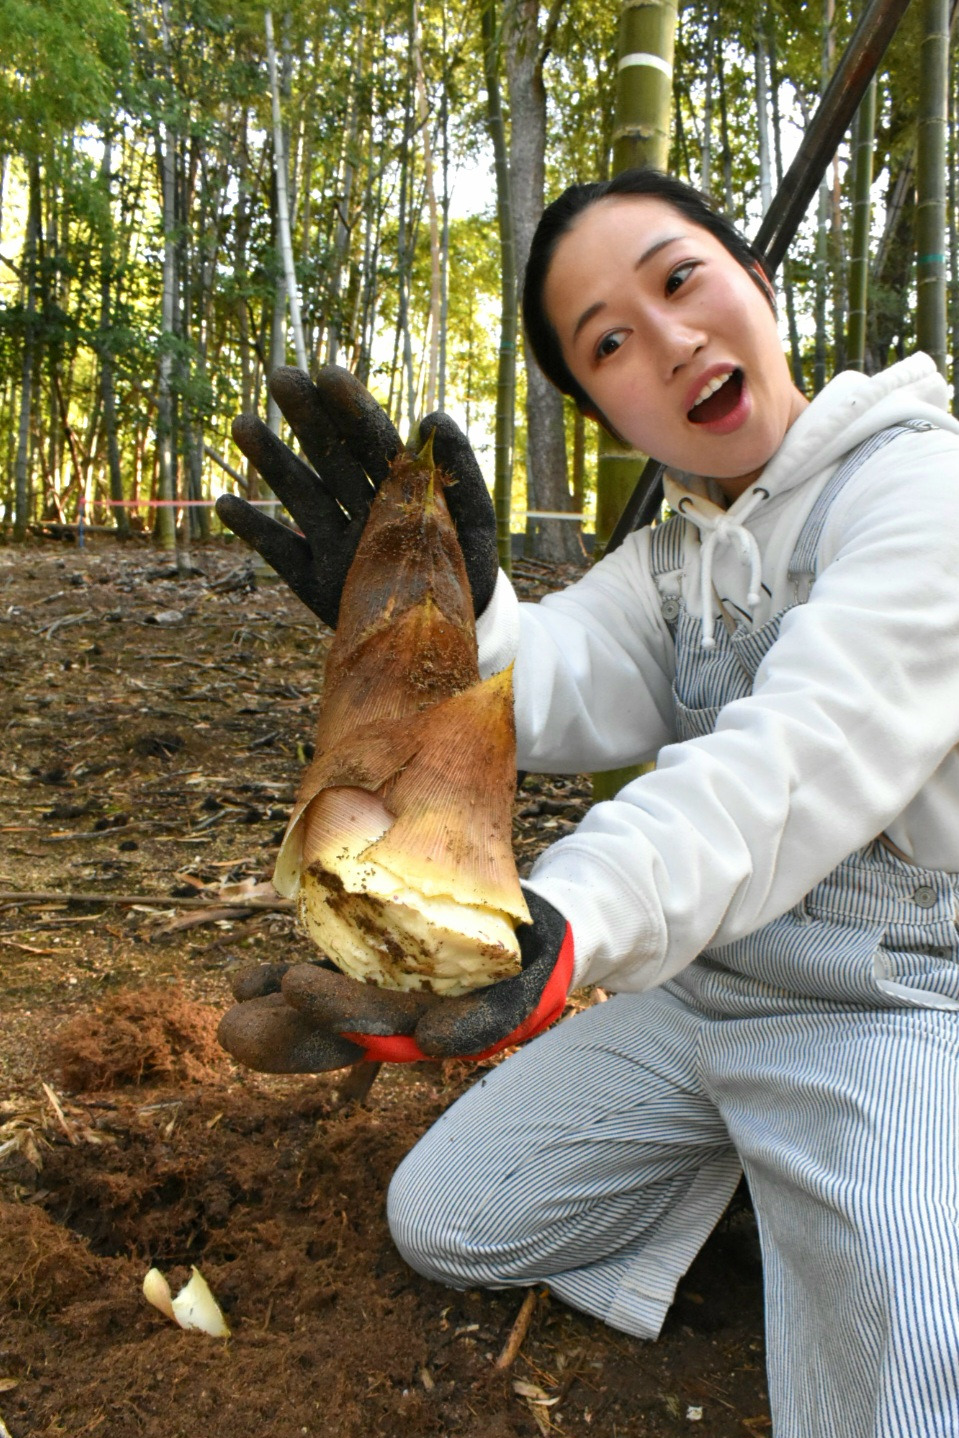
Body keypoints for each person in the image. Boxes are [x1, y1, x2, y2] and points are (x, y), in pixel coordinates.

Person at [215, 168, 959, 1437]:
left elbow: (783, 764)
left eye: (680, 280)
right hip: (712, 987)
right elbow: (556, 680)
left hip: (891, 1000)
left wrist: (550, 928)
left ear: (755, 282)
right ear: (599, 407)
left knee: (901, 1385)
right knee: (449, 1215)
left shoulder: (915, 490)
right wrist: (435, 607)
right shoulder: (674, 553)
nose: (668, 342)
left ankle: (867, 1177)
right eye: (607, 342)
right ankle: (754, 1179)